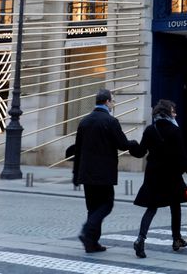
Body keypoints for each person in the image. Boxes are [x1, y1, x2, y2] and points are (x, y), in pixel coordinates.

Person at [72, 88, 138, 254]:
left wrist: (76, 174)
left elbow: (77, 150)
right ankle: (87, 232)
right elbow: (122, 144)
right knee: (106, 204)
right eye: (112, 101)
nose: (113, 103)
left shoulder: (84, 121)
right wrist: (135, 144)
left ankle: (91, 243)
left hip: (86, 173)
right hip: (104, 173)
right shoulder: (110, 121)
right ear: (107, 102)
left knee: (93, 208)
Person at [129, 99, 187, 259]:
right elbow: (181, 155)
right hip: (171, 175)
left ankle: (141, 239)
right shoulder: (174, 130)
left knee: (152, 208)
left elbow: (140, 152)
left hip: (154, 174)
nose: (176, 114)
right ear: (167, 113)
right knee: (175, 206)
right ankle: (176, 239)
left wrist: (130, 144)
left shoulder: (150, 129)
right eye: (173, 111)